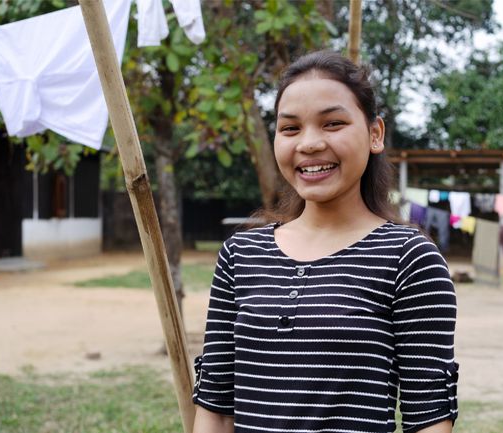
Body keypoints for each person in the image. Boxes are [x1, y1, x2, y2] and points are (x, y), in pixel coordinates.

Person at [192, 50, 458, 433]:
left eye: (332, 123)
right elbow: (216, 408)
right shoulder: (241, 254)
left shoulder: (409, 258)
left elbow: (429, 419)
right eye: (290, 128)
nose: (310, 144)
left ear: (375, 134)